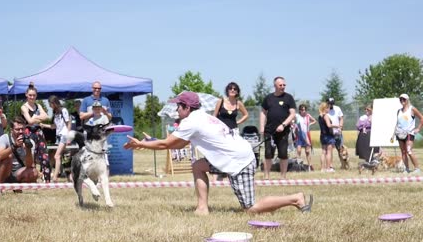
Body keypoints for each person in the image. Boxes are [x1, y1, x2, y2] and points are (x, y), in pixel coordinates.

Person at [124, 91, 313, 215]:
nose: (176, 109)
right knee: (198, 166)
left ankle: (295, 198)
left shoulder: (192, 121)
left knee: (250, 208)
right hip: (231, 157)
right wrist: (147, 143)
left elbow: (166, 144)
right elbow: (177, 144)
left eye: (178, 106)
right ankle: (202, 208)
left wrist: (142, 144)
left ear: (187, 108)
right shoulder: (201, 117)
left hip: (239, 161)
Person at [259, 76, 296, 179]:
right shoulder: (268, 98)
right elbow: (263, 112)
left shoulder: (289, 98)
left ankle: (283, 176)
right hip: (269, 131)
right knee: (268, 153)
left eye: (284, 85)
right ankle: (266, 176)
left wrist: (283, 125)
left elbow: (292, 114)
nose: (283, 87)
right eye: (280, 85)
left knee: (283, 154)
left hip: (283, 131)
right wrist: (262, 127)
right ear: (275, 85)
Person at [20, 83, 52, 182]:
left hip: (39, 132)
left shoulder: (38, 105)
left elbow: (46, 117)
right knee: (31, 157)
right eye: (30, 95)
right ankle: (31, 180)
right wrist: (39, 118)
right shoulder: (23, 107)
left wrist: (35, 118)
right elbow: (29, 121)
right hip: (28, 133)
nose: (32, 97)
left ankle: (47, 180)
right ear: (26, 95)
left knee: (44, 156)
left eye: (34, 95)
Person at [0, 116, 38, 184]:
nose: (21, 132)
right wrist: (15, 146)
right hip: (0, 170)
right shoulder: (4, 138)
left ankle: (16, 186)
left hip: (17, 171)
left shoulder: (30, 142)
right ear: (11, 130)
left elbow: (29, 165)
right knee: (8, 157)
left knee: (34, 172)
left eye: (22, 129)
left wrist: (28, 149)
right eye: (17, 129)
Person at [41, 95, 72, 181]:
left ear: (54, 103)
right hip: (58, 136)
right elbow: (54, 126)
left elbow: (68, 123)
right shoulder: (56, 112)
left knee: (57, 156)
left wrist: (68, 137)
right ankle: (69, 177)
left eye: (50, 104)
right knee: (64, 157)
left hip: (64, 136)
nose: (50, 106)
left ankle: (55, 177)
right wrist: (44, 125)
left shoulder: (64, 110)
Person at [394, 94, 423, 173]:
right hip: (400, 133)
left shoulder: (412, 109)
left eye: (404, 99)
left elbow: (421, 118)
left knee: (409, 150)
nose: (402, 101)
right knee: (403, 152)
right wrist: (394, 133)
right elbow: (397, 123)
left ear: (407, 100)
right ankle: (407, 169)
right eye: (401, 99)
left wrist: (418, 128)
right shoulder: (399, 111)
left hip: (409, 133)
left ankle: (417, 169)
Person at [318, 102, 339, 172]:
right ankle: (328, 168)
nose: (329, 109)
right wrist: (337, 126)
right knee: (329, 152)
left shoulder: (320, 116)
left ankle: (322, 168)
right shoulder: (326, 116)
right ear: (325, 108)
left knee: (323, 152)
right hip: (328, 136)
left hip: (322, 135)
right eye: (328, 108)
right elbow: (329, 125)